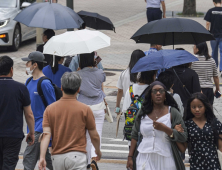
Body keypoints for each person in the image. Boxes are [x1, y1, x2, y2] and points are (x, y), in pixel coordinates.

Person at [38, 72, 101, 170]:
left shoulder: (49, 109)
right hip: (77, 157)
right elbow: (94, 135)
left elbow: (46, 135)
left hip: (57, 157)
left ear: (61, 87)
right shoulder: (85, 109)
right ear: (78, 89)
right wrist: (97, 151)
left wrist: (42, 157)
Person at [126, 81, 187, 170]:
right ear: (150, 95)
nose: (158, 93)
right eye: (154, 91)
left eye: (161, 91)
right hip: (144, 157)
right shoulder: (143, 112)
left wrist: (166, 129)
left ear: (165, 95)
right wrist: (130, 157)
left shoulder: (173, 112)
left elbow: (184, 137)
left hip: (166, 158)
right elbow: (134, 135)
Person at [21, 51, 56, 170]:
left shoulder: (45, 83)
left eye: (28, 62)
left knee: (28, 160)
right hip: (32, 128)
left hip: (40, 129)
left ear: (34, 65)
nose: (26, 65)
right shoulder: (29, 81)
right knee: (50, 161)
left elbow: (53, 108)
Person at [0, 56, 35, 170]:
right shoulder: (21, 88)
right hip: (13, 136)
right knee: (8, 166)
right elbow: (29, 114)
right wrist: (31, 132)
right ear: (11, 69)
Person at [174, 92, 222, 170]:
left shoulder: (214, 123)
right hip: (195, 165)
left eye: (200, 107)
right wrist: (175, 133)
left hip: (214, 165)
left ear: (205, 107)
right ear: (190, 108)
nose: (197, 110)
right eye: (193, 107)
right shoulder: (187, 125)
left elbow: (221, 147)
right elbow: (183, 148)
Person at [77, 52, 106, 170]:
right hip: (98, 106)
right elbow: (101, 82)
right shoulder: (100, 72)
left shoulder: (78, 74)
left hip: (83, 106)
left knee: (86, 136)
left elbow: (77, 89)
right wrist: (95, 67)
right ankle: (94, 158)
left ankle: (87, 162)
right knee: (97, 133)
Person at [122, 70, 157, 147]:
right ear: (153, 76)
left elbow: (125, 111)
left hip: (132, 136)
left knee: (133, 157)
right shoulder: (152, 91)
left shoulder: (130, 90)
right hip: (147, 136)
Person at [115, 50, 146, 115]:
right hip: (140, 108)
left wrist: (117, 107)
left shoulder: (123, 73)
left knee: (128, 125)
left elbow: (120, 91)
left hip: (127, 108)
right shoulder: (143, 75)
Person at [205, 0, 222, 73]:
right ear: (221, 1)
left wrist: (207, 32)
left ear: (213, 2)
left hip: (213, 35)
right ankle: (221, 70)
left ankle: (214, 69)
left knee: (214, 52)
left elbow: (208, 23)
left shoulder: (210, 11)